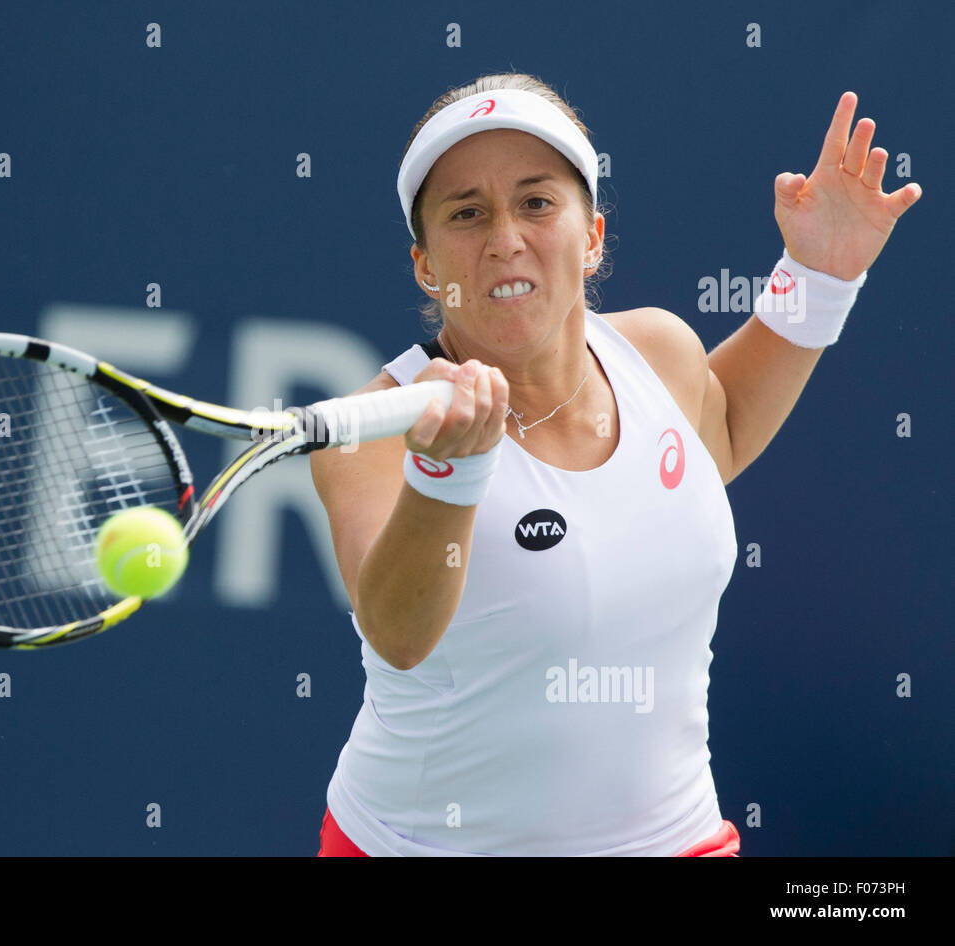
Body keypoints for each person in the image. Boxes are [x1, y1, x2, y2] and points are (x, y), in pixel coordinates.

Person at [309, 73, 920, 856]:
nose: (504, 238)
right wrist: (447, 476)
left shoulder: (659, 351)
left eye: (536, 202)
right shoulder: (380, 432)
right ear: (426, 266)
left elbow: (722, 428)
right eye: (467, 213)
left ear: (592, 235)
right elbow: (397, 632)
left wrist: (819, 275)